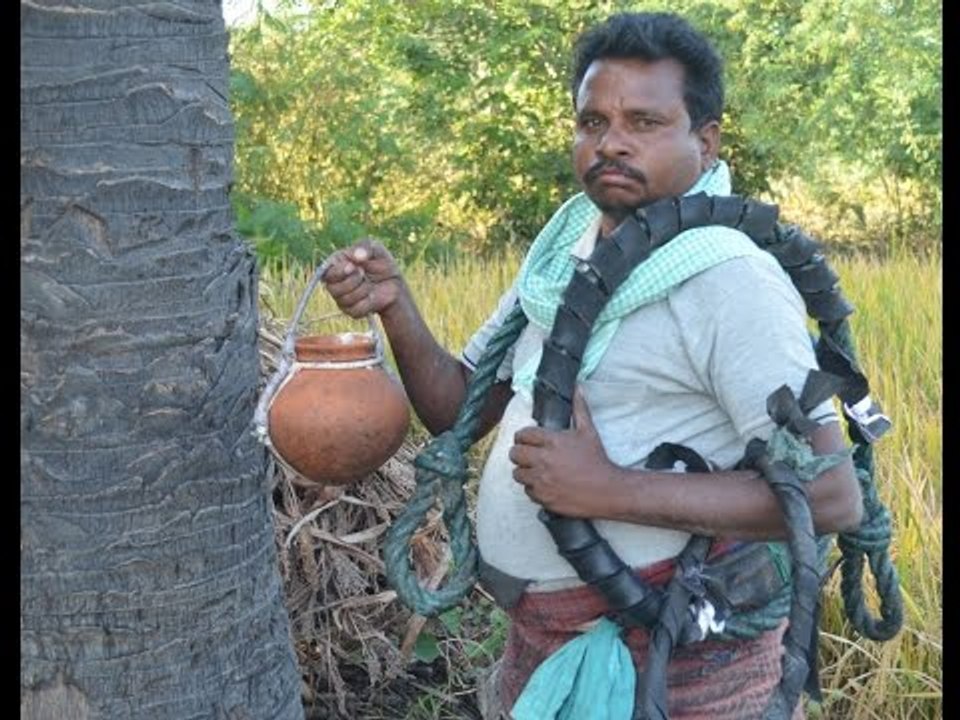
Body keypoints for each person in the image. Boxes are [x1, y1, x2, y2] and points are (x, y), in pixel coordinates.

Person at [322, 11, 861, 720]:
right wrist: (396, 307)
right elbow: (458, 410)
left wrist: (606, 489)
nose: (611, 143)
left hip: (683, 669)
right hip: (546, 650)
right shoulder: (565, 253)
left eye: (643, 122)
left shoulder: (732, 281)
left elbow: (829, 499)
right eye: (592, 122)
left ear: (705, 141)